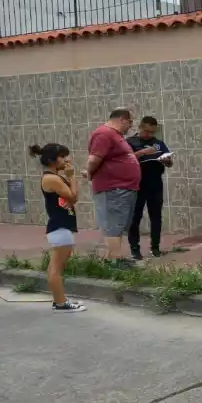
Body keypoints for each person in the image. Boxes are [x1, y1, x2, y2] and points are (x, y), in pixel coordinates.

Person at [29, 143, 86, 313]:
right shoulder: (51, 178)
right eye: (62, 156)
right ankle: (60, 303)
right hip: (59, 226)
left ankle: (60, 301)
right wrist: (72, 177)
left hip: (63, 225)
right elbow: (73, 197)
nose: (66, 160)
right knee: (56, 267)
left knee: (58, 266)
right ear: (52, 159)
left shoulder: (55, 177)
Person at [84, 108, 140, 268]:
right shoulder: (104, 134)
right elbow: (94, 159)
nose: (131, 126)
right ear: (122, 119)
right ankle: (115, 260)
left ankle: (112, 258)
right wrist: (89, 173)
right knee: (113, 224)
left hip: (124, 188)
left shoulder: (116, 136)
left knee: (119, 224)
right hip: (113, 189)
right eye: (130, 122)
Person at [126, 116, 173, 260]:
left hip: (155, 183)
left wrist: (167, 161)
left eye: (152, 132)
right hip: (137, 184)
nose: (149, 135)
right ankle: (135, 249)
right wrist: (143, 153)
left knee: (156, 216)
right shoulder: (129, 142)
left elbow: (169, 163)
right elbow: (124, 160)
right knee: (135, 217)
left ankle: (155, 247)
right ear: (139, 128)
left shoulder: (158, 143)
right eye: (146, 131)